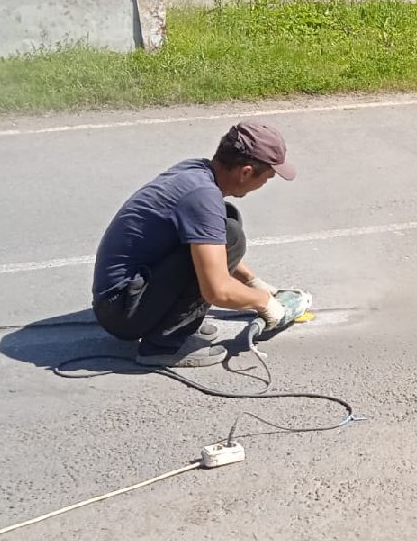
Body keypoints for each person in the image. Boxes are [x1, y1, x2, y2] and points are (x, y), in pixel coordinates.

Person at [91, 122, 296, 368]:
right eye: (267, 177)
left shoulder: (196, 173)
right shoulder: (202, 198)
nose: (265, 183)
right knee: (231, 235)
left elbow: (208, 246)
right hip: (122, 311)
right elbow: (217, 291)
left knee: (226, 222)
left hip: (120, 299)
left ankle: (176, 321)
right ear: (246, 172)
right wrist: (264, 302)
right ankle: (165, 344)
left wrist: (252, 281)